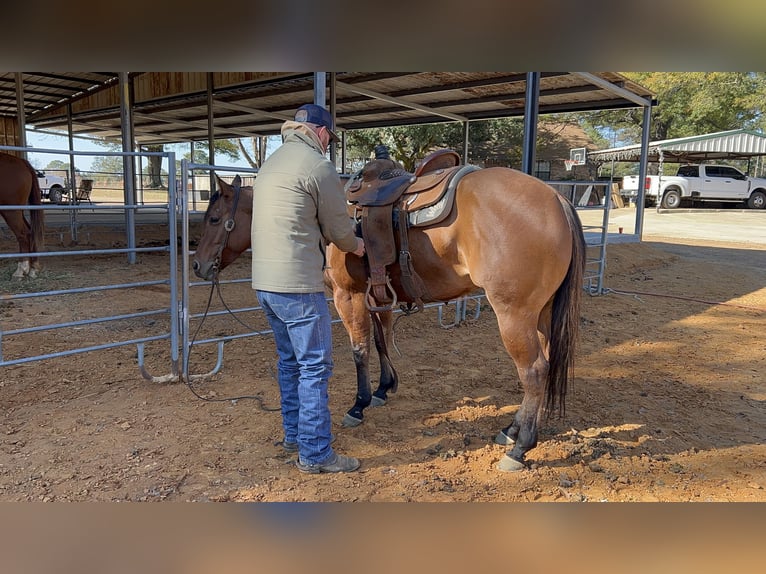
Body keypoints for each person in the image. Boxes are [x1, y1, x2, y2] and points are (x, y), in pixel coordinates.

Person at [251, 103, 365, 474]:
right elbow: (337, 228)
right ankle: (316, 454)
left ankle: (294, 436)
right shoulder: (317, 165)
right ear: (319, 132)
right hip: (298, 285)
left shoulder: (270, 163)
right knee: (314, 367)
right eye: (329, 137)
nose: (328, 144)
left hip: (265, 285)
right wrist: (357, 246)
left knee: (290, 363)